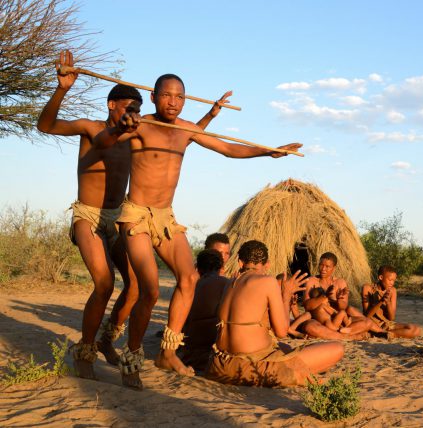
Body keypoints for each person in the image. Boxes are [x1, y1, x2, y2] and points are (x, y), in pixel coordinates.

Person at [93, 73, 302, 389]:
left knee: (189, 278)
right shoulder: (141, 125)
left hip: (165, 217)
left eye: (179, 97)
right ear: (154, 97)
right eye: (167, 95)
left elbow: (228, 149)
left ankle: (167, 352)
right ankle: (131, 358)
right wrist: (120, 127)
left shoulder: (185, 130)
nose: (173, 102)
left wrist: (268, 152)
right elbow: (103, 143)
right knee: (149, 290)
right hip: (135, 216)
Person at [36, 50, 143, 379]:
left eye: (137, 111)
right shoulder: (90, 127)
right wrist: (62, 90)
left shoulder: (137, 135)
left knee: (137, 285)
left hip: (117, 217)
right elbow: (46, 125)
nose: (132, 116)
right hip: (88, 216)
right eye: (128, 109)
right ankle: (85, 352)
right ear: (112, 105)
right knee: (104, 283)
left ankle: (107, 339)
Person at [205, 240, 344, 387]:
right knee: (337, 349)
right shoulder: (267, 281)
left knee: (285, 348)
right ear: (267, 264)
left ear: (240, 263)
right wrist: (286, 294)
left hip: (219, 364)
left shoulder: (230, 282)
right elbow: (282, 331)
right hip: (250, 367)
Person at [302, 252, 384, 337]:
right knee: (309, 327)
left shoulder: (340, 282)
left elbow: (342, 308)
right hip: (319, 321)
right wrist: (324, 297)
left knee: (365, 320)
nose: (323, 269)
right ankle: (350, 335)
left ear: (334, 268)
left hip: (338, 320)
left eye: (327, 266)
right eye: (321, 265)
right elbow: (307, 306)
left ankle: (379, 332)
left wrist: (339, 299)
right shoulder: (311, 281)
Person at [179, 249, 230, 371]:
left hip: (190, 351)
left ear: (197, 268)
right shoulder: (227, 284)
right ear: (221, 268)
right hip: (214, 349)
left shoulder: (189, 285)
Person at [361, 265, 421, 338]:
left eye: (394, 280)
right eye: (390, 280)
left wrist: (388, 302)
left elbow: (391, 318)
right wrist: (380, 301)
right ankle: (381, 333)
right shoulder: (368, 288)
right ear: (381, 277)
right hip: (371, 324)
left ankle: (386, 334)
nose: (392, 283)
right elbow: (367, 316)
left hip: (386, 324)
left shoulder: (392, 291)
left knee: (416, 329)